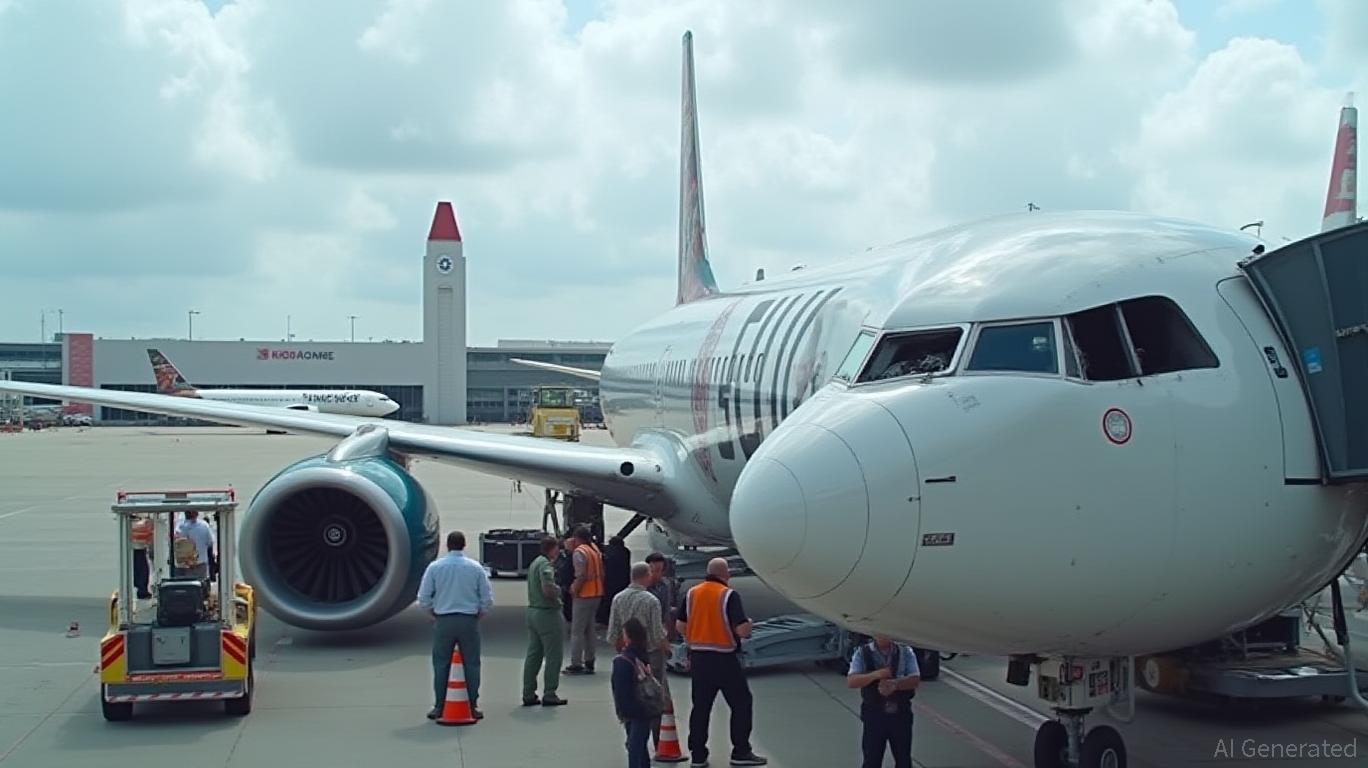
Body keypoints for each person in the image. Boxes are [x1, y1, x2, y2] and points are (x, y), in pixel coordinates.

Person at [677, 558, 767, 766]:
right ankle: (740, 752)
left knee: (700, 708)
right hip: (725, 659)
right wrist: (750, 623)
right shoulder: (728, 595)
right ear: (724, 575)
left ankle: (698, 755)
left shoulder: (692, 593)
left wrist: (695, 637)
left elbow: (681, 625)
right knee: (741, 704)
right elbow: (742, 630)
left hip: (699, 659)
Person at [417, 530, 493, 721]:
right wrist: (479, 614)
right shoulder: (475, 568)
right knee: (472, 663)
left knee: (441, 663)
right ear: (464, 545)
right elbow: (487, 598)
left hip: (444, 619)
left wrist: (433, 613)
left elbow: (423, 598)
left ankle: (439, 705)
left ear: (447, 546)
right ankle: (472, 705)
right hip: (469, 619)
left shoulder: (435, 567)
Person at [846, 634, 920, 768]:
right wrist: (877, 675)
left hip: (900, 713)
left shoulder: (905, 651)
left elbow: (915, 679)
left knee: (903, 758)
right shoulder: (862, 652)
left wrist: (895, 684)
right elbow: (852, 681)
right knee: (872, 758)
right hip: (875, 714)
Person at [522, 536, 568, 707]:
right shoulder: (546, 565)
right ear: (552, 549)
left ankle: (528, 692)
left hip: (533, 611)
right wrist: (558, 591)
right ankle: (550, 692)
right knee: (554, 655)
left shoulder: (535, 563)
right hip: (547, 613)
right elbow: (548, 588)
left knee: (534, 654)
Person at [611, 618, 657, 768]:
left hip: (632, 711)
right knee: (640, 747)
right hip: (646, 707)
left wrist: (623, 711)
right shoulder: (643, 657)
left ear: (628, 637)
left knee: (634, 749)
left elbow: (621, 691)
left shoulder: (622, 661)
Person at [643, 552, 677, 751]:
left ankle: (660, 738)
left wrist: (669, 634)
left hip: (658, 644)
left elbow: (665, 613)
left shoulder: (665, 586)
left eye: (659, 570)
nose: (656, 574)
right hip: (646, 644)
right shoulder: (642, 591)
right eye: (653, 570)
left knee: (659, 686)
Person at [564, 526, 603, 675]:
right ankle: (590, 660)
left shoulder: (579, 552)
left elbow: (581, 575)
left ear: (576, 538)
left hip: (584, 595)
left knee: (577, 631)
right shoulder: (594, 550)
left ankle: (576, 663)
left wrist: (574, 588)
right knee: (590, 629)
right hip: (596, 593)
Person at [598, 534, 632, 625]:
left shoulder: (609, 552)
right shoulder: (626, 552)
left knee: (608, 600)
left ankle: (605, 619)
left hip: (610, 580)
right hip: (623, 580)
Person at [174, 510, 215, 580]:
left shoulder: (179, 527)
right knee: (201, 587)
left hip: (183, 566)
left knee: (185, 588)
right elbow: (210, 542)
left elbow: (175, 544)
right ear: (197, 514)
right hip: (200, 564)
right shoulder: (204, 525)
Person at [554, 536, 576, 625]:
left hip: (567, 584)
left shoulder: (570, 557)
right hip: (566, 584)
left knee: (568, 605)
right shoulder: (568, 557)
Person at [130, 515, 153, 599]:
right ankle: (142, 589)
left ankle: (141, 587)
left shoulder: (134, 523)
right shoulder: (139, 524)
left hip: (138, 547)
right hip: (139, 547)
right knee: (142, 568)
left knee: (139, 567)